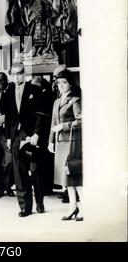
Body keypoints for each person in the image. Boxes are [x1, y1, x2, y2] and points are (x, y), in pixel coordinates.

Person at [5, 63, 46, 217]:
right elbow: (9, 117)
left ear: (24, 73)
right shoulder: (8, 92)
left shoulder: (34, 90)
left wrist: (36, 134)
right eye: (14, 74)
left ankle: (40, 201)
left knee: (35, 171)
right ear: (11, 75)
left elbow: (40, 114)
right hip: (16, 137)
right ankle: (25, 207)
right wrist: (9, 137)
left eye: (20, 73)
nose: (17, 76)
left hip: (31, 137)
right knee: (20, 173)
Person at [48, 69, 83, 221]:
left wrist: (64, 126)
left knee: (73, 174)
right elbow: (53, 123)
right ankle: (73, 206)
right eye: (58, 83)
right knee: (65, 178)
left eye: (64, 82)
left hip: (72, 141)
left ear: (70, 84)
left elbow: (81, 121)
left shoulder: (75, 100)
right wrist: (50, 141)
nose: (61, 85)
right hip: (60, 142)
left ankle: (85, 206)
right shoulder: (56, 101)